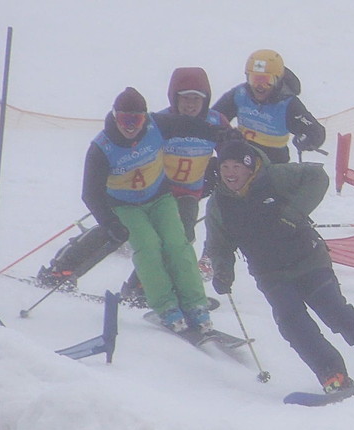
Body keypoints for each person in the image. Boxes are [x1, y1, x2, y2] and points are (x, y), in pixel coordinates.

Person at [204, 139, 354, 392]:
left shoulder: (274, 177)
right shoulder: (219, 204)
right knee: (293, 325)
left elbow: (317, 177)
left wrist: (293, 214)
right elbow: (219, 244)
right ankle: (332, 375)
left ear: (250, 166)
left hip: (308, 261)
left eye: (236, 166)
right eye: (225, 168)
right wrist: (223, 271)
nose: (230, 174)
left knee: (336, 313)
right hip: (270, 274)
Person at [82, 87, 236, 333]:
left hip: (159, 198)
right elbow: (90, 193)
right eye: (124, 119)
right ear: (115, 116)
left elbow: (188, 126)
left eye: (137, 119)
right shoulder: (102, 148)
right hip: (125, 206)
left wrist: (221, 134)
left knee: (178, 244)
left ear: (145, 117)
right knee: (149, 247)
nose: (130, 126)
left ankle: (196, 304)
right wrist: (110, 223)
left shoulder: (157, 125)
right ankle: (165, 306)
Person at [120, 67, 229, 302]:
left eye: (196, 99)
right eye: (185, 99)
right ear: (174, 98)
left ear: (205, 100)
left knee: (184, 239)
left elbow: (229, 152)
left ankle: (163, 287)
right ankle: (138, 286)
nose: (190, 105)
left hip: (190, 192)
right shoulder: (162, 121)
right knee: (158, 241)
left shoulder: (216, 121)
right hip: (160, 191)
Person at [212, 49, 326, 164]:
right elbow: (212, 117)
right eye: (254, 80)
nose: (259, 87)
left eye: (267, 81)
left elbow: (316, 132)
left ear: (278, 80)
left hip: (273, 163)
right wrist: (225, 134)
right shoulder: (240, 94)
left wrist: (305, 139)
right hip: (243, 159)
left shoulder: (287, 103)